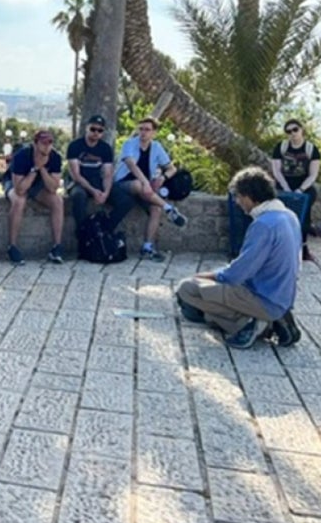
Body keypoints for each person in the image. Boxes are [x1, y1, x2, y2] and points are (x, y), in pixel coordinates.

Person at [175, 166, 302, 349]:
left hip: (262, 297)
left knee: (187, 289)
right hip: (283, 296)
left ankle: (254, 324)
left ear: (249, 196)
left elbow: (237, 274)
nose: (237, 202)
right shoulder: (289, 216)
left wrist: (207, 276)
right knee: (208, 297)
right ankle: (272, 319)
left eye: (238, 196)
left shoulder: (263, 225)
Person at [107, 117, 188, 261]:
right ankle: (169, 209)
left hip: (145, 189)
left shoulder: (156, 147)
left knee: (155, 209)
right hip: (123, 184)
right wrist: (145, 183)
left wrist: (163, 178)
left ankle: (147, 247)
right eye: (141, 129)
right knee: (139, 185)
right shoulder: (129, 144)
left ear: (154, 133)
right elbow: (131, 164)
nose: (143, 133)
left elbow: (171, 168)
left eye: (147, 130)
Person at [3, 129, 66, 265]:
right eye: (43, 143)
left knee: (57, 201)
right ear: (35, 144)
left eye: (50, 142)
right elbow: (19, 189)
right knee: (19, 201)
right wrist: (35, 168)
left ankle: (57, 247)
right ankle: (12, 246)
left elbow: (53, 188)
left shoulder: (55, 157)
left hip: (39, 183)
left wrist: (42, 169)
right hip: (16, 182)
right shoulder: (22, 155)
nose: (47, 146)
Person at [271, 118, 321, 261]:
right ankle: (280, 248)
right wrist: (286, 188)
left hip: (304, 187)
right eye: (289, 131)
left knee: (304, 217)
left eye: (295, 130)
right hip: (284, 185)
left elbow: (313, 174)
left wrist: (300, 190)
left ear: (301, 130)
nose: (292, 133)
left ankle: (304, 249)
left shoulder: (311, 149)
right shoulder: (281, 147)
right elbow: (277, 170)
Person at [66, 114, 115, 226]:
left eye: (100, 130)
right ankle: (82, 231)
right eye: (93, 129)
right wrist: (93, 191)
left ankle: (108, 227)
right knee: (79, 196)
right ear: (86, 128)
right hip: (78, 183)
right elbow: (76, 175)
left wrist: (106, 193)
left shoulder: (106, 148)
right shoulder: (74, 146)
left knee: (124, 198)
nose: (96, 133)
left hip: (97, 180)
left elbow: (107, 174)